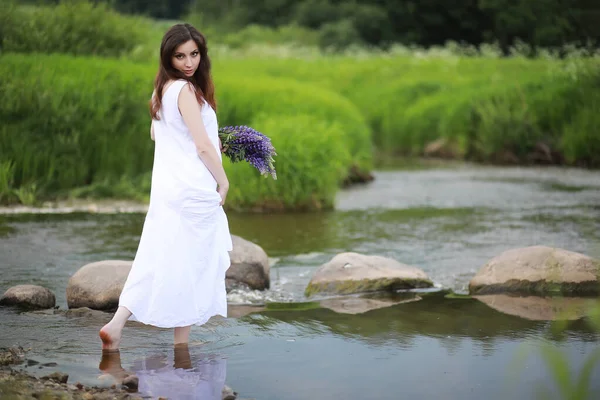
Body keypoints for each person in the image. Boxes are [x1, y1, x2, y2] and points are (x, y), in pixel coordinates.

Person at [99, 23, 233, 351]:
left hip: (168, 191)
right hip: (191, 190)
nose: (189, 62)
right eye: (180, 56)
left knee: (158, 257)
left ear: (202, 54)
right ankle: (181, 347)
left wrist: (207, 142)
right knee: (190, 265)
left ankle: (115, 325)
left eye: (194, 54)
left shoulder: (162, 91)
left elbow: (157, 134)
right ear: (168, 57)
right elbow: (201, 146)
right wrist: (223, 179)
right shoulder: (186, 92)